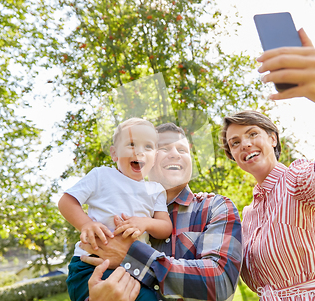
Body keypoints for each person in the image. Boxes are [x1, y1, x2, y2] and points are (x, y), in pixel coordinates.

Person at [220, 28, 315, 300]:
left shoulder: (296, 179)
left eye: (252, 134)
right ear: (233, 156)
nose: (245, 145)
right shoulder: (247, 215)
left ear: (272, 138)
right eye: (235, 143)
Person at [79, 123, 243, 301]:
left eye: (182, 149)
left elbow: (220, 284)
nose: (175, 154)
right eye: (164, 148)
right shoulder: (117, 211)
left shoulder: (215, 207)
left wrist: (133, 256)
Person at [58, 118, 173, 301]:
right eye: (132, 144)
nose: (140, 151)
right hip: (91, 263)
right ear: (114, 153)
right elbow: (66, 201)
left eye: (148, 147)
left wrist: (145, 222)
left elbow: (165, 227)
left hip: (134, 267)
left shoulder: (155, 190)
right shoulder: (101, 175)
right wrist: (86, 224)